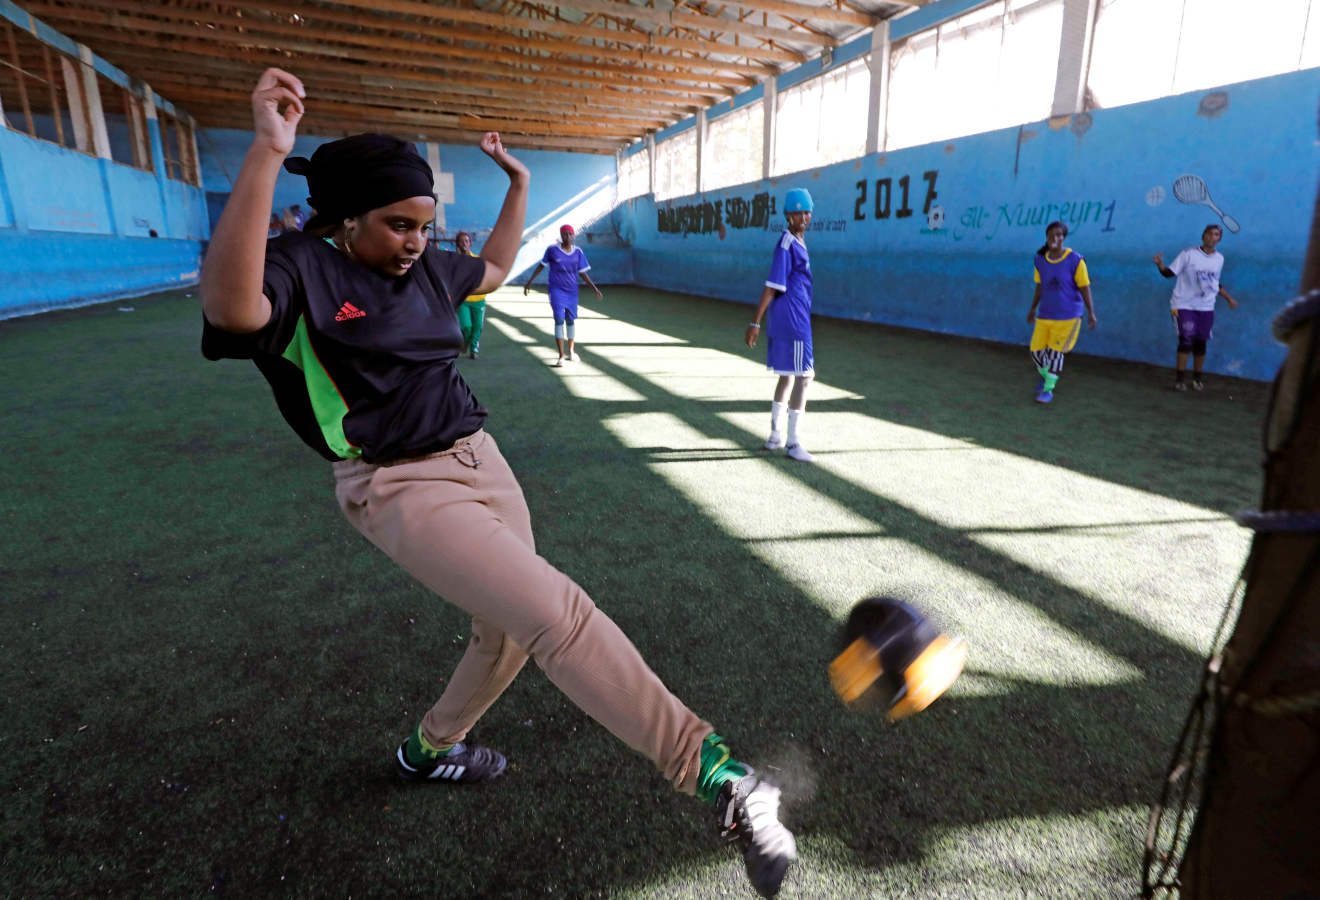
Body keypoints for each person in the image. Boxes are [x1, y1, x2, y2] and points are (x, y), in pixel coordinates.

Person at [199, 68, 796, 899]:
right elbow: (231, 309)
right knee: (556, 612)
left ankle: (430, 749)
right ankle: (722, 777)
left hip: (482, 459)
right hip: (396, 486)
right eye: (397, 225)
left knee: (508, 632)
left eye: (423, 225)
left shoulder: (433, 269)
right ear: (344, 223)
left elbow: (492, 266)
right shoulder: (300, 268)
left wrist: (519, 183)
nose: (414, 242)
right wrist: (266, 153)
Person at [745, 188, 817, 463]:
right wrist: (755, 322)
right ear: (787, 215)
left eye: (807, 211)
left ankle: (775, 437)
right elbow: (772, 285)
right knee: (804, 376)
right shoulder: (787, 243)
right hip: (793, 321)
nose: (803, 217)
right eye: (797, 212)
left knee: (787, 375)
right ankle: (793, 443)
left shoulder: (796, 241)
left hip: (791, 318)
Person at [1153, 224, 1239, 392]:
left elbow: (1215, 283)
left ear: (1219, 239)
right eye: (1209, 233)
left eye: (1216, 235)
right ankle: (1179, 380)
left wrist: (1229, 298)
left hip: (1206, 307)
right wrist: (1160, 264)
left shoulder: (1219, 259)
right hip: (1183, 304)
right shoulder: (1188, 254)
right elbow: (1169, 273)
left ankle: (1197, 380)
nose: (1211, 237)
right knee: (1186, 340)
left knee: (1201, 343)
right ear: (1203, 236)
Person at [1025, 221, 1097, 404]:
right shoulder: (1040, 260)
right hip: (1045, 314)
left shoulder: (1075, 260)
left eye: (1059, 235)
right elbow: (1039, 286)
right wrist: (1033, 308)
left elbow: (1084, 287)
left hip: (1068, 316)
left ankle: (1048, 389)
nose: (1055, 238)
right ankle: (1046, 374)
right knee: (1036, 351)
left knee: (1056, 353)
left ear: (1063, 238)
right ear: (1047, 236)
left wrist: (1091, 312)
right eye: (1052, 234)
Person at [522, 224, 602, 367]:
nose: (567, 236)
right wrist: (529, 281)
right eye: (564, 234)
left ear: (573, 235)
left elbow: (582, 273)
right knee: (559, 320)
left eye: (569, 234)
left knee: (570, 321)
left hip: (572, 292)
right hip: (556, 291)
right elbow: (541, 265)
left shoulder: (578, 252)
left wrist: (594, 288)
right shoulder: (552, 250)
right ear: (561, 236)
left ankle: (571, 351)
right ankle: (561, 356)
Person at [454, 231, 487, 359]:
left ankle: (474, 350)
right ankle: (465, 343)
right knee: (467, 327)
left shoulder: (477, 261)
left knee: (477, 327)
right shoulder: (455, 262)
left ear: (470, 243)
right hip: (463, 300)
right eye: (461, 242)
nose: (464, 244)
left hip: (479, 300)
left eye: (466, 241)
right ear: (457, 245)